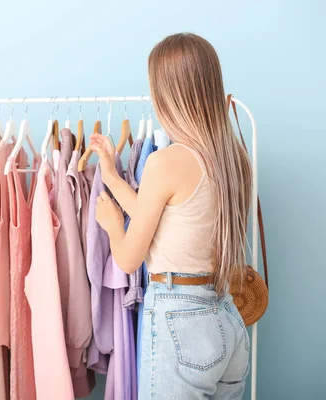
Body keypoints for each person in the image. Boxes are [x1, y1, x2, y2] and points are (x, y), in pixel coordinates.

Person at [91, 33, 251, 400]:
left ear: (165, 97)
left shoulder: (164, 162)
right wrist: (113, 178)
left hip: (180, 320)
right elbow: (165, 224)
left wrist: (114, 227)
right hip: (225, 319)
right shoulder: (232, 159)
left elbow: (131, 256)